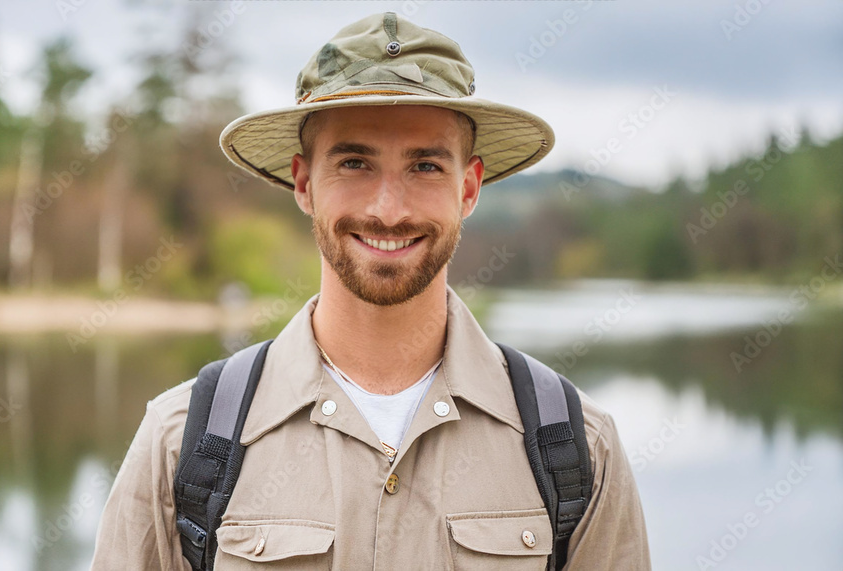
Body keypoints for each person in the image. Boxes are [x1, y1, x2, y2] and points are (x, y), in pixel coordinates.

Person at [92, 12, 651, 570]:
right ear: (305, 184)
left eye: (425, 166)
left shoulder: (576, 448)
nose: (389, 209)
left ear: (469, 188)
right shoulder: (183, 441)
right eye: (354, 162)